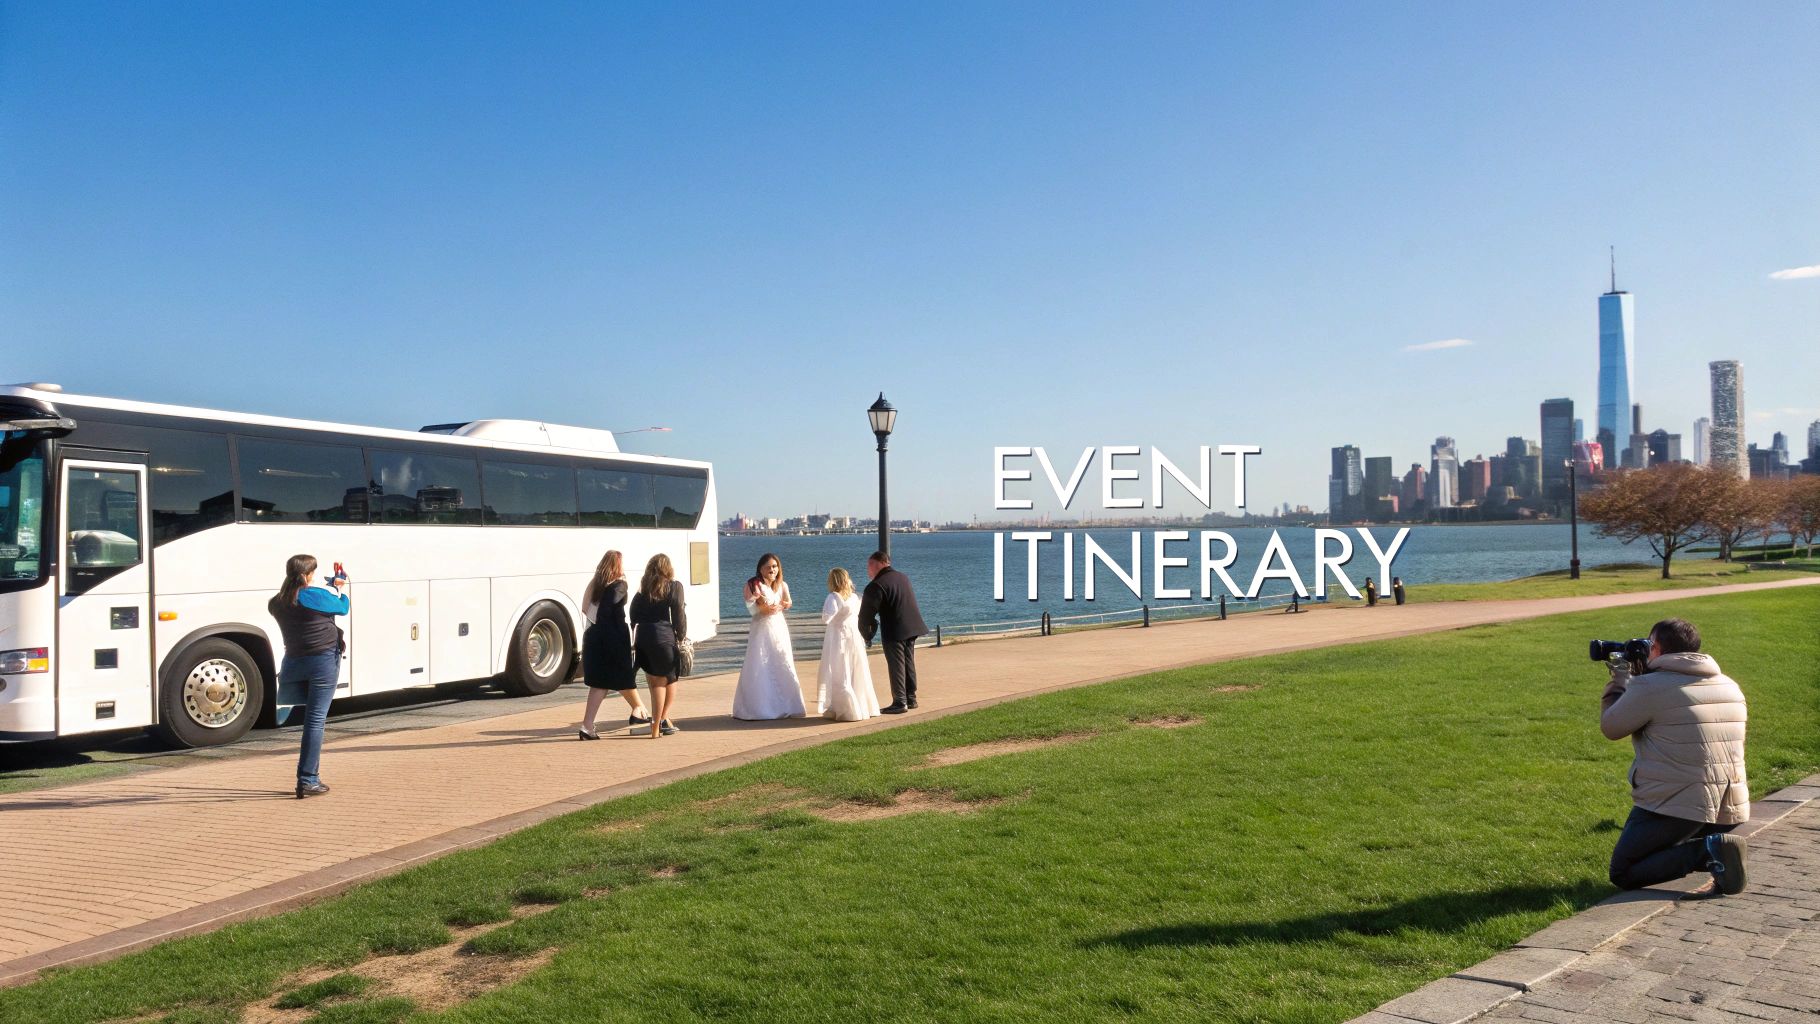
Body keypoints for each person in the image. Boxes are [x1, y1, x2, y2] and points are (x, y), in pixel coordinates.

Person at [1600, 618, 1749, 895]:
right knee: (1663, 846)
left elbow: (1611, 727)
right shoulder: (1729, 684)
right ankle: (1717, 849)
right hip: (1729, 806)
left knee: (1624, 870)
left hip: (1676, 805)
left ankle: (1709, 851)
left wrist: (1619, 680)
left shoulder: (1651, 687)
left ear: (1655, 647)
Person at [267, 554, 348, 799]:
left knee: (307, 718)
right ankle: (308, 779)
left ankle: (308, 778)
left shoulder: (276, 602)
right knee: (315, 721)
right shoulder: (314, 596)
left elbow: (300, 605)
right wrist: (339, 588)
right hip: (322, 662)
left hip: (294, 662)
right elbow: (342, 607)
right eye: (312, 572)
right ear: (306, 575)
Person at [578, 550, 648, 739]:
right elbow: (608, 613)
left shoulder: (595, 583)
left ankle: (637, 711)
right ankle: (638, 711)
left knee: (602, 683)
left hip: (592, 637)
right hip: (612, 639)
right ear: (618, 566)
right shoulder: (619, 585)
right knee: (619, 678)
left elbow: (585, 608)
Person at [731, 553, 807, 720]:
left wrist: (785, 604)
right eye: (768, 567)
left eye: (774, 566)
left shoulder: (782, 585)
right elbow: (751, 608)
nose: (772, 569)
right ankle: (760, 707)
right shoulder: (755, 585)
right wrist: (763, 608)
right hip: (762, 628)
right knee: (760, 662)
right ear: (761, 569)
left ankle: (787, 705)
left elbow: (788, 601)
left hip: (779, 626)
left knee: (782, 661)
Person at [857, 549, 927, 714]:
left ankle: (899, 702)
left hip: (894, 629)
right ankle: (911, 698)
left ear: (881, 563)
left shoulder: (876, 585)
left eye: (870, 565)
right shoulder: (903, 577)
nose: (868, 569)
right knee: (908, 662)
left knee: (896, 665)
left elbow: (864, 617)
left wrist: (867, 636)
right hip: (912, 626)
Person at [629, 553, 688, 738]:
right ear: (667, 568)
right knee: (664, 682)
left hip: (644, 638)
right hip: (664, 638)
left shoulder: (643, 589)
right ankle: (657, 727)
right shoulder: (674, 586)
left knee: (658, 680)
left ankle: (662, 720)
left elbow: (633, 613)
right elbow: (678, 612)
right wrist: (681, 634)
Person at [817, 567, 881, 722]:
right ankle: (863, 705)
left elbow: (826, 618)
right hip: (854, 636)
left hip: (839, 637)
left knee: (840, 671)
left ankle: (847, 710)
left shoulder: (833, 597)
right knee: (856, 670)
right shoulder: (854, 597)